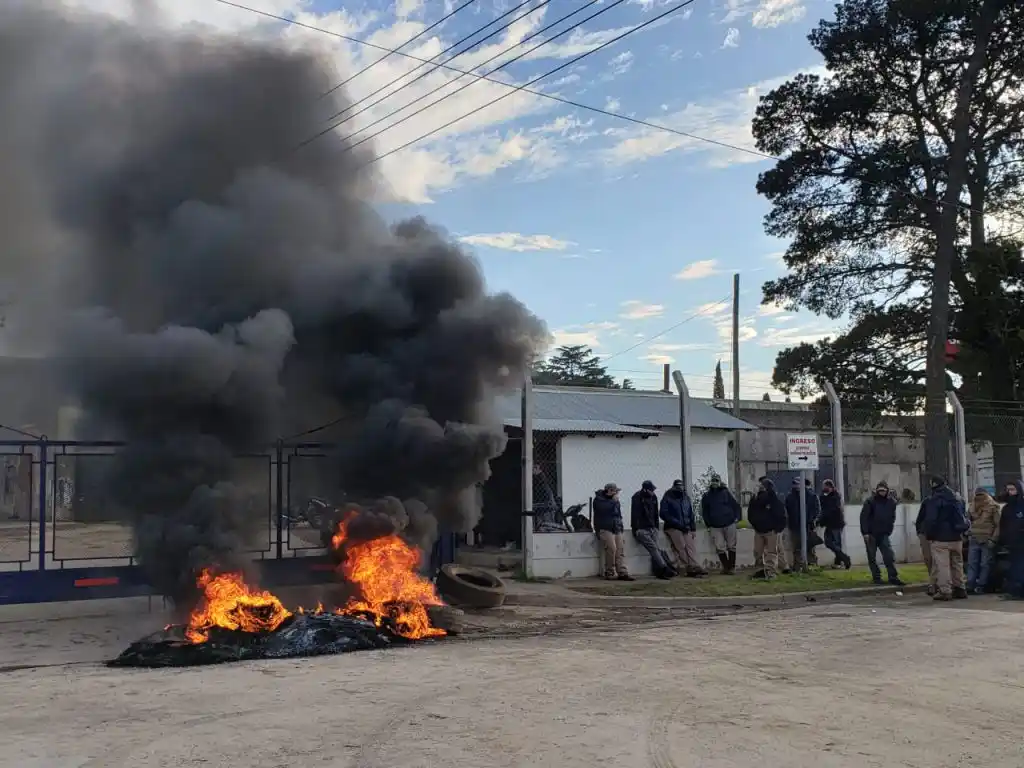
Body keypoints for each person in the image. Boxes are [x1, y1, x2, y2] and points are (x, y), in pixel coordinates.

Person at [917, 475, 969, 601]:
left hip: (940, 537)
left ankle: (945, 590)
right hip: (956, 537)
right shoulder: (957, 498)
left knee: (942, 565)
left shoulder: (933, 500)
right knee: (957, 563)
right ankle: (960, 588)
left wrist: (929, 535)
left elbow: (930, 520)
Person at [860, 481, 905, 586]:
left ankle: (893, 577)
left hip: (884, 533)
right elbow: (864, 518)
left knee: (889, 556)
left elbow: (892, 518)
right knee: (872, 557)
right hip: (871, 534)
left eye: (883, 491)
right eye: (879, 490)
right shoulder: (870, 502)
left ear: (887, 491)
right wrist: (865, 532)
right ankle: (877, 578)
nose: (881, 493)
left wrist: (889, 530)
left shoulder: (891, 502)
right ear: (876, 491)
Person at [660, 479, 708, 578]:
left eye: (681, 487)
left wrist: (693, 528)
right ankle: (690, 567)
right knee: (681, 546)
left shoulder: (686, 498)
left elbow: (690, 514)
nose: (680, 489)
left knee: (690, 546)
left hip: (685, 527)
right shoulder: (667, 497)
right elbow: (663, 514)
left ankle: (694, 566)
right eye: (678, 487)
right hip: (673, 527)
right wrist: (678, 524)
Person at [631, 481, 676, 579]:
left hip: (652, 528)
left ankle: (660, 571)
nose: (653, 492)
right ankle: (664, 568)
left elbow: (655, 513)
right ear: (645, 489)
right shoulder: (637, 497)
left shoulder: (653, 497)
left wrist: (656, 527)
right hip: (642, 529)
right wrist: (636, 529)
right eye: (651, 490)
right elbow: (634, 515)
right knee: (654, 549)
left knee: (655, 550)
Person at [700, 473, 742, 574]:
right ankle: (726, 567)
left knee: (731, 546)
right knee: (719, 547)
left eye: (716, 480)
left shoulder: (726, 492)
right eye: (713, 480)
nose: (715, 482)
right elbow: (705, 511)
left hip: (729, 523)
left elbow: (736, 505)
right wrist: (708, 524)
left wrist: (737, 518)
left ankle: (731, 568)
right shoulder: (707, 496)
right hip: (715, 526)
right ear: (711, 482)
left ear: (720, 482)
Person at [747, 477, 787, 580]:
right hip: (759, 530)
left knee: (771, 552)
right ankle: (760, 571)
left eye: (763, 486)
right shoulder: (755, 499)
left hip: (771, 530)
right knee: (757, 552)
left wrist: (778, 528)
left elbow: (781, 514)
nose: (760, 487)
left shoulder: (773, 499)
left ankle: (770, 572)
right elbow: (750, 514)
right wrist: (755, 524)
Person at [593, 484, 633, 581]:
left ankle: (622, 572)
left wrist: (621, 525)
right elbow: (604, 510)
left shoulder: (615, 501)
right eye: (615, 491)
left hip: (616, 527)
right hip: (605, 527)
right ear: (610, 491)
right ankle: (609, 571)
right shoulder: (599, 500)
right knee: (611, 548)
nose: (617, 494)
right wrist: (614, 502)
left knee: (620, 549)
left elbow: (618, 514)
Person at [966, 488, 1000, 594]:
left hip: (980, 538)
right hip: (982, 538)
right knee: (983, 564)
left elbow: (998, 525)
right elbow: (998, 525)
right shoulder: (992, 506)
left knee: (976, 563)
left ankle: (974, 584)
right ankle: (978, 585)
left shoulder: (974, 506)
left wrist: (993, 539)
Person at [998, 480, 1024, 600]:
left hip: (1021, 541)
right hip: (1012, 542)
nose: (1010, 492)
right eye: (1008, 490)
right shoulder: (1007, 508)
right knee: (1014, 567)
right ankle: (1014, 590)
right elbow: (1003, 525)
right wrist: (1003, 539)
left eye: (1012, 489)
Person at [785, 478, 819, 570]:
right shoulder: (790, 497)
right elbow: (788, 510)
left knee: (810, 546)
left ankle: (811, 564)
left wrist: (811, 520)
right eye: (794, 484)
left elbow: (816, 510)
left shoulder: (811, 496)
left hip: (808, 526)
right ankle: (797, 565)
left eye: (798, 484)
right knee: (796, 546)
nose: (796, 486)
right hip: (795, 526)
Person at [818, 479, 851, 569]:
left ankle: (843, 559)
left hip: (835, 523)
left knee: (832, 542)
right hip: (832, 523)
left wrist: (821, 520)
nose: (823, 488)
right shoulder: (828, 496)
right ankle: (841, 560)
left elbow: (829, 510)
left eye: (825, 486)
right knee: (833, 543)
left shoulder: (835, 497)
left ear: (830, 487)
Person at [532, 465, 566, 533]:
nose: (532, 470)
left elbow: (547, 493)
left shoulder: (541, 478)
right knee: (544, 527)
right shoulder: (539, 479)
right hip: (544, 506)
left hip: (546, 506)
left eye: (534, 468)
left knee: (546, 527)